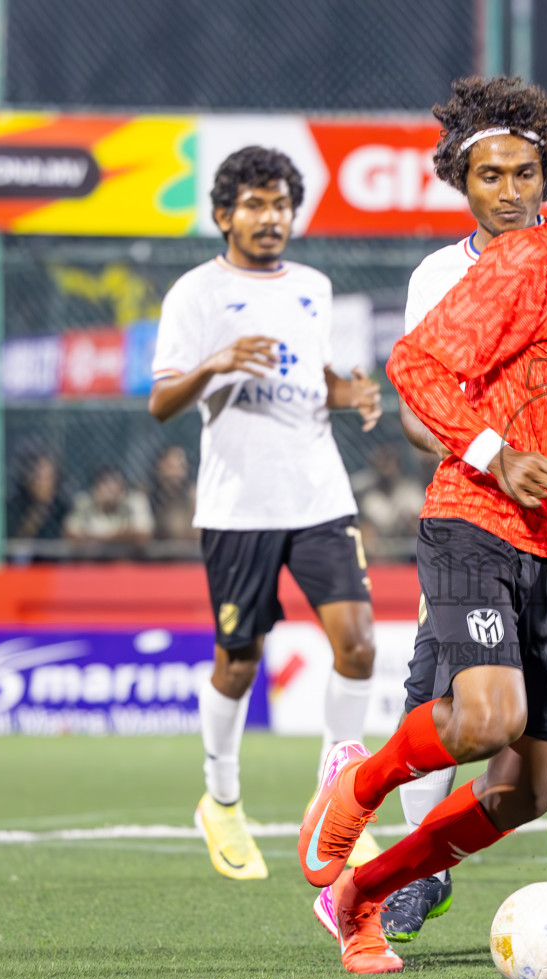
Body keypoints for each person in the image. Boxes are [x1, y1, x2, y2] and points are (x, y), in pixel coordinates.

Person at [299, 82, 547, 975]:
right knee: (486, 717)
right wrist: (499, 454)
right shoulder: (525, 260)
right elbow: (415, 364)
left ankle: (363, 897)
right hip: (477, 520)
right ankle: (357, 784)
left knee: (522, 793)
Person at [147, 146, 383, 883]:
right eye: (253, 204)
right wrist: (214, 364)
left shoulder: (314, 286)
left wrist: (352, 395)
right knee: (239, 661)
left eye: (280, 203)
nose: (270, 216)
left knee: (360, 644)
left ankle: (337, 808)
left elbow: (317, 379)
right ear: (223, 215)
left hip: (318, 495)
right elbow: (160, 403)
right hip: (238, 506)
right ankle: (220, 801)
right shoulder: (195, 293)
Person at [350, 443, 427, 559]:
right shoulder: (368, 493)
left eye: (390, 463)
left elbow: (421, 525)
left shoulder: (409, 491)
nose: (386, 469)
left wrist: (412, 522)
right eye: (382, 463)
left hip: (405, 550)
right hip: (377, 552)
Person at [62, 467, 153, 547]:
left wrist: (103, 537)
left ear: (122, 489)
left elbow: (143, 534)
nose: (110, 491)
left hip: (126, 561)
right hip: (92, 561)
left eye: (114, 485)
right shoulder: (85, 502)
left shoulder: (134, 501)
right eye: (105, 485)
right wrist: (122, 536)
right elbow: (70, 533)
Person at [7, 452, 69, 543]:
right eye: (39, 477)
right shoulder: (15, 507)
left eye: (49, 478)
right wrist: (37, 512)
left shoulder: (61, 509)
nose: (43, 484)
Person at [149, 445, 198, 543]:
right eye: (171, 467)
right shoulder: (148, 498)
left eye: (181, 467)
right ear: (160, 467)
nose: (176, 473)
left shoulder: (194, 497)